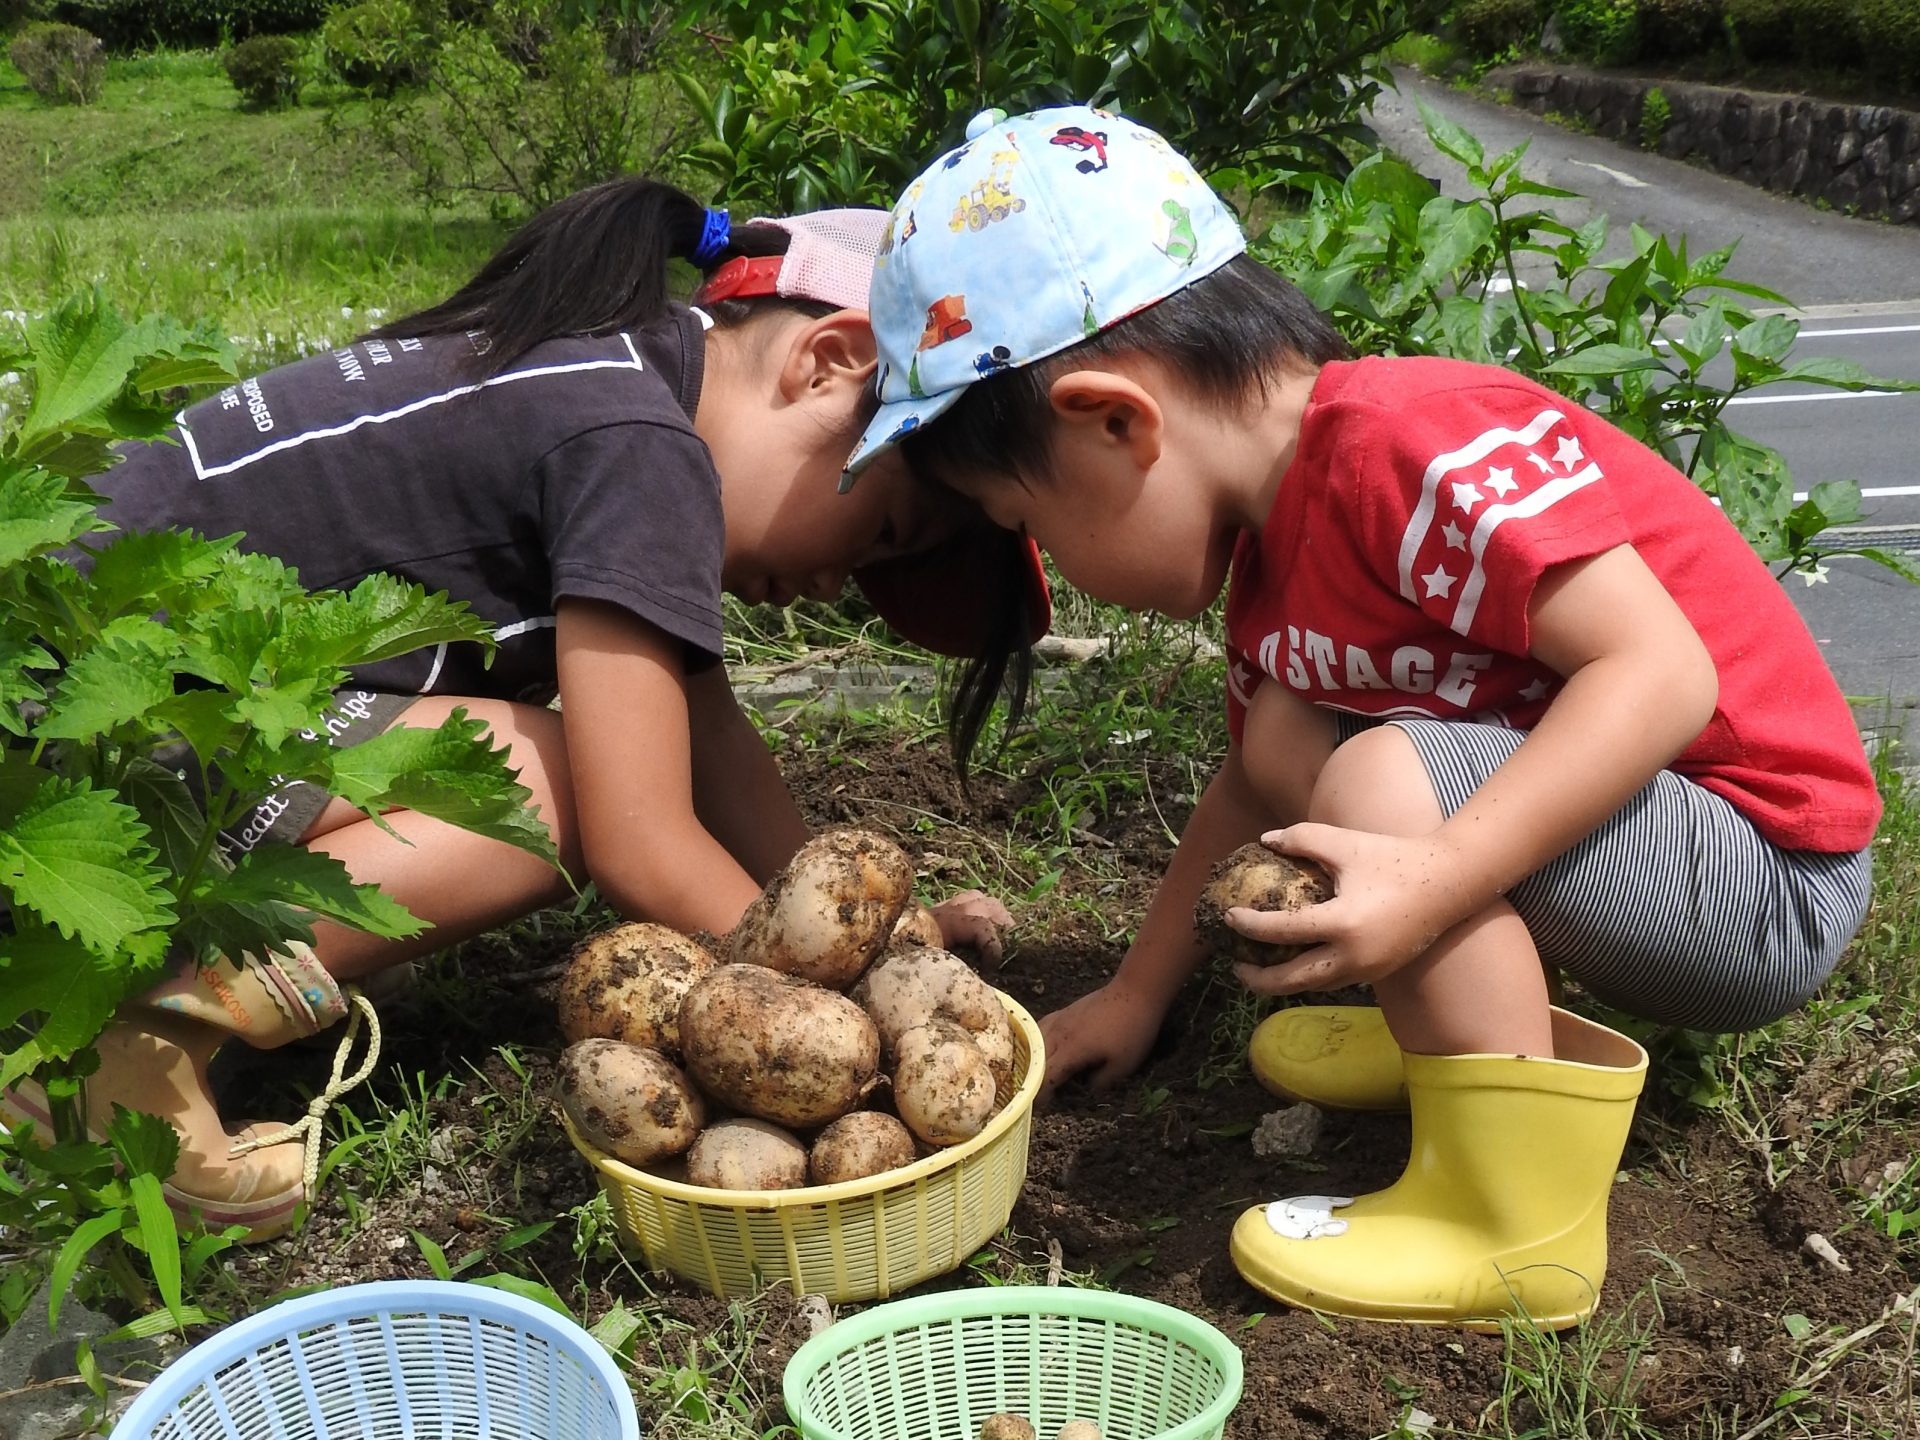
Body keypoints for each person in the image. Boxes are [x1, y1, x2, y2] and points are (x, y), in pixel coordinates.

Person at [842, 105, 1879, 1329]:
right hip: (1659, 853)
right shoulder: (1278, 558)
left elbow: (1662, 675)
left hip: (1766, 872)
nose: (1043, 557)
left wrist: (1436, 879)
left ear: (1116, 421)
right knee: (1290, 745)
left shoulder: (1404, 443)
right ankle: (1461, 1043)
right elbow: (1247, 787)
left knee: (1381, 780)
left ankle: (1512, 1226)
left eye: (1027, 518)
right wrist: (1137, 991)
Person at [0, 181, 1050, 1240]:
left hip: (85, 720)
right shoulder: (641, 447)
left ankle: (147, 986)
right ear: (829, 362)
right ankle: (122, 1043)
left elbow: (712, 744)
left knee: (554, 762)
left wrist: (888, 944)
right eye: (880, 536)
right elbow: (641, 838)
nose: (839, 587)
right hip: (80, 726)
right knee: (533, 787)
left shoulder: (613, 372)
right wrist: (815, 1023)